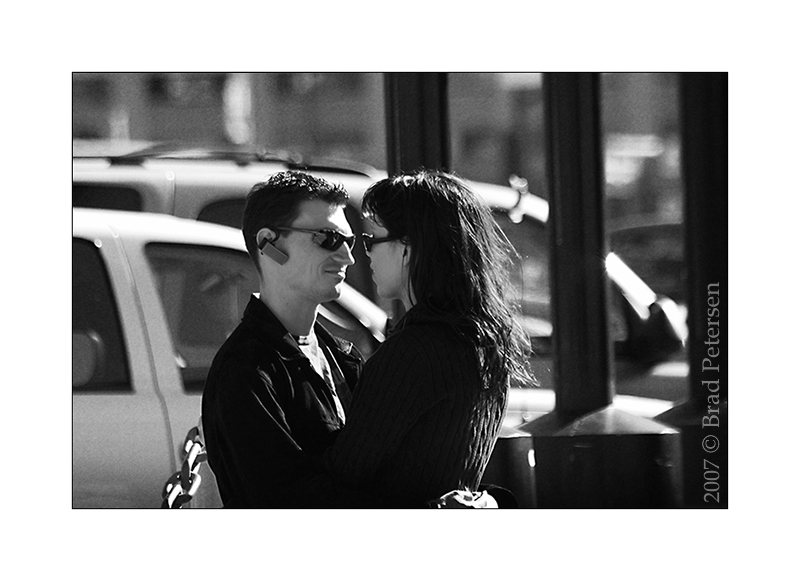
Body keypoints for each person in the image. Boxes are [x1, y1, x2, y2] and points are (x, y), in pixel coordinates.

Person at [321, 170, 531, 506]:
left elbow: (342, 475)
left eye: (372, 240)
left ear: (409, 246)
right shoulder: (485, 343)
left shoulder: (412, 352)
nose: (365, 253)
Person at [201, 170, 372, 507]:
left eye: (349, 241)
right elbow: (288, 501)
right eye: (328, 238)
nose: (347, 257)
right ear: (269, 242)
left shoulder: (343, 357)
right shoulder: (244, 373)